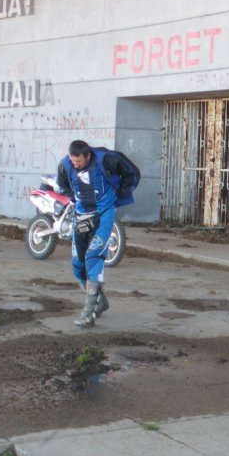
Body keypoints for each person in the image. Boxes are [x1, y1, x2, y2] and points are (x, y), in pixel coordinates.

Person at [55, 140, 140, 327]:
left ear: (88, 155)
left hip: (103, 214)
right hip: (81, 215)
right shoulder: (65, 165)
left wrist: (119, 194)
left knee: (94, 257)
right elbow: (62, 185)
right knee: (78, 265)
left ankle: (89, 313)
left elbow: (132, 173)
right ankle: (100, 301)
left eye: (79, 162)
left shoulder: (105, 158)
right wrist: (74, 197)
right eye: (73, 161)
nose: (75, 165)